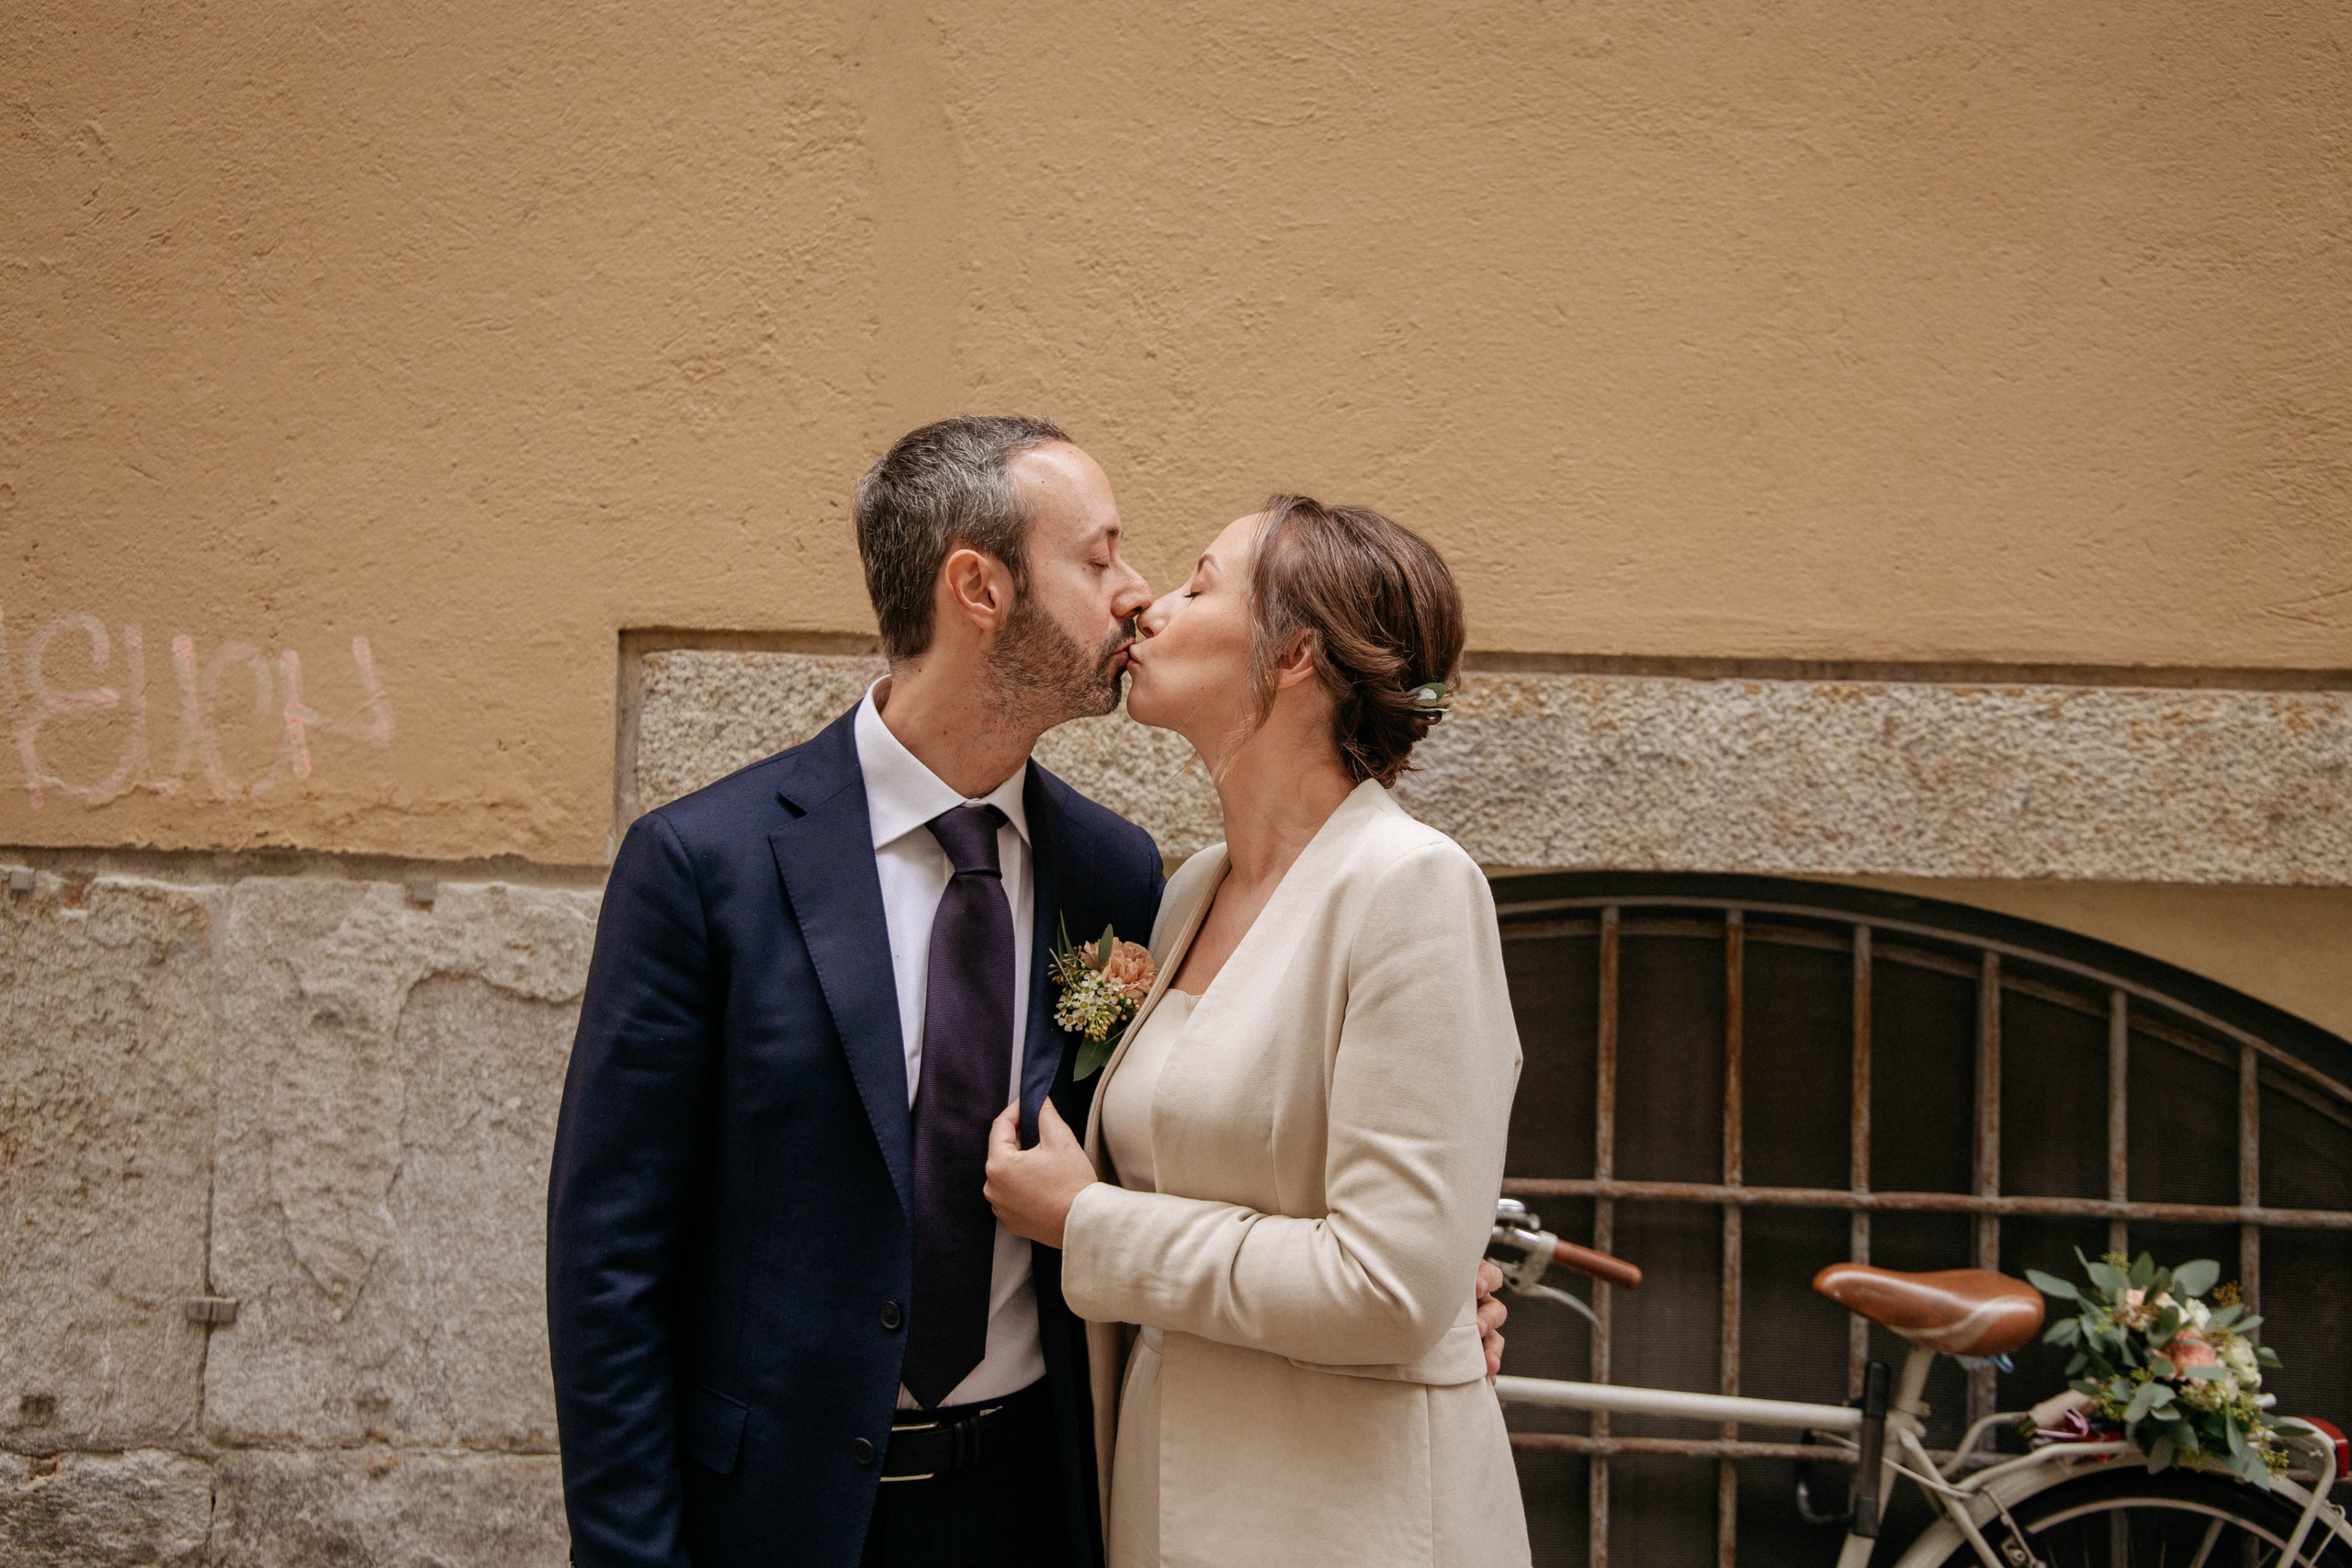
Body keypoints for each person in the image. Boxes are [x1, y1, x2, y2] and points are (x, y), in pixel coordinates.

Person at [547, 423, 1509, 1568]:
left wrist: (1435, 1292)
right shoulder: (705, 864)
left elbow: (1325, 1175)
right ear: (979, 587)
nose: (1138, 595)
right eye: (1101, 559)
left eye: (1177, 576)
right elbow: (608, 1261)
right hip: (779, 1516)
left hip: (1052, 1507)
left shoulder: (1116, 875)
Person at [985, 495, 1534, 1567]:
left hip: (1342, 1518)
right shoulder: (1189, 890)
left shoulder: (1412, 887)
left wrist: (1087, 1225)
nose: (1149, 604)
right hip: (1165, 1502)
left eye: (1198, 583)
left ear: (1293, 655)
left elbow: (1384, 1287)